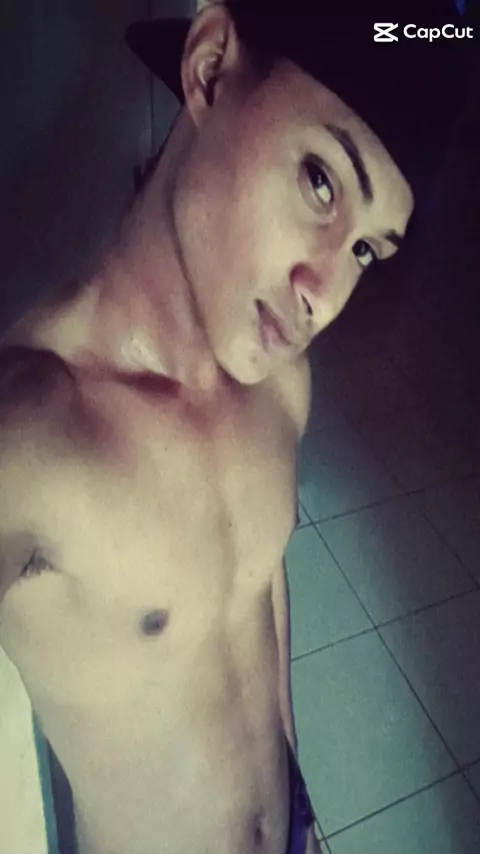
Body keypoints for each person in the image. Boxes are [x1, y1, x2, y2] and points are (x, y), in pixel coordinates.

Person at [0, 1, 471, 853]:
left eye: (366, 249)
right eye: (322, 182)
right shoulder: (29, 437)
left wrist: (299, 801)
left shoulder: (281, 381)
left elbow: (260, 582)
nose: (325, 295)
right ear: (210, 65)